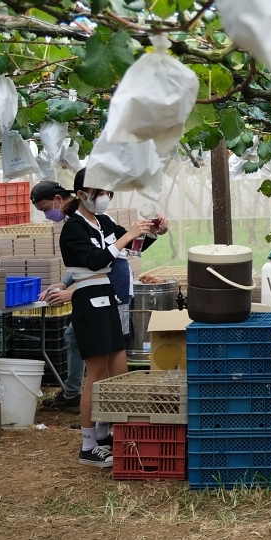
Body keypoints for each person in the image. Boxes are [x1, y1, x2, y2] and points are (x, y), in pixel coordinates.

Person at [60, 169, 166, 467]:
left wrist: (152, 231)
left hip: (108, 297)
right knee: (94, 376)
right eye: (100, 192)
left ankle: (106, 431)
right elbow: (96, 260)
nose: (105, 197)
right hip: (88, 298)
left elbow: (134, 248)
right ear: (81, 194)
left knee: (118, 369)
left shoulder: (103, 221)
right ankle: (88, 443)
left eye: (109, 192)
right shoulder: (74, 228)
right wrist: (128, 235)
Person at [30, 181, 81, 413]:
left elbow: (101, 265)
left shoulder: (80, 221)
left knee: (102, 351)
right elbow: (82, 264)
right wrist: (64, 282)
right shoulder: (74, 219)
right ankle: (73, 393)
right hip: (92, 292)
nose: (47, 215)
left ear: (59, 199)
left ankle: (85, 401)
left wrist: (71, 292)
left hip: (105, 294)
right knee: (73, 335)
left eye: (44, 209)